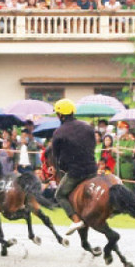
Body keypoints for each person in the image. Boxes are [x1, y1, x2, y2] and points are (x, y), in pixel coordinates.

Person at [51, 99, 98, 235]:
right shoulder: (87, 127)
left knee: (59, 194)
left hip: (76, 172)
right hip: (93, 169)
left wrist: (60, 167)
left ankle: (76, 220)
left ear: (61, 115)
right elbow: (93, 147)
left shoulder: (59, 133)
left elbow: (56, 156)